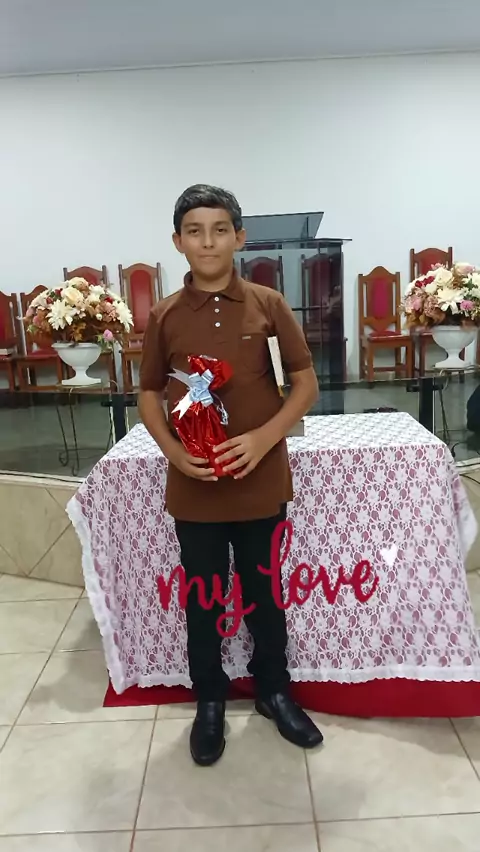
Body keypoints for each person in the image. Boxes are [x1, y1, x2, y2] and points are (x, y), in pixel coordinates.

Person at [139, 184, 323, 766]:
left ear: (239, 237)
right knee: (204, 596)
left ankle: (274, 690)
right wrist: (174, 452)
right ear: (178, 242)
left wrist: (265, 438)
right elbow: (148, 393)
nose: (208, 242)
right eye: (195, 231)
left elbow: (305, 384)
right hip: (195, 487)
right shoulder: (165, 315)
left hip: (261, 482)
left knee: (264, 593)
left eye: (220, 230)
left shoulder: (269, 305)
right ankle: (210, 699)